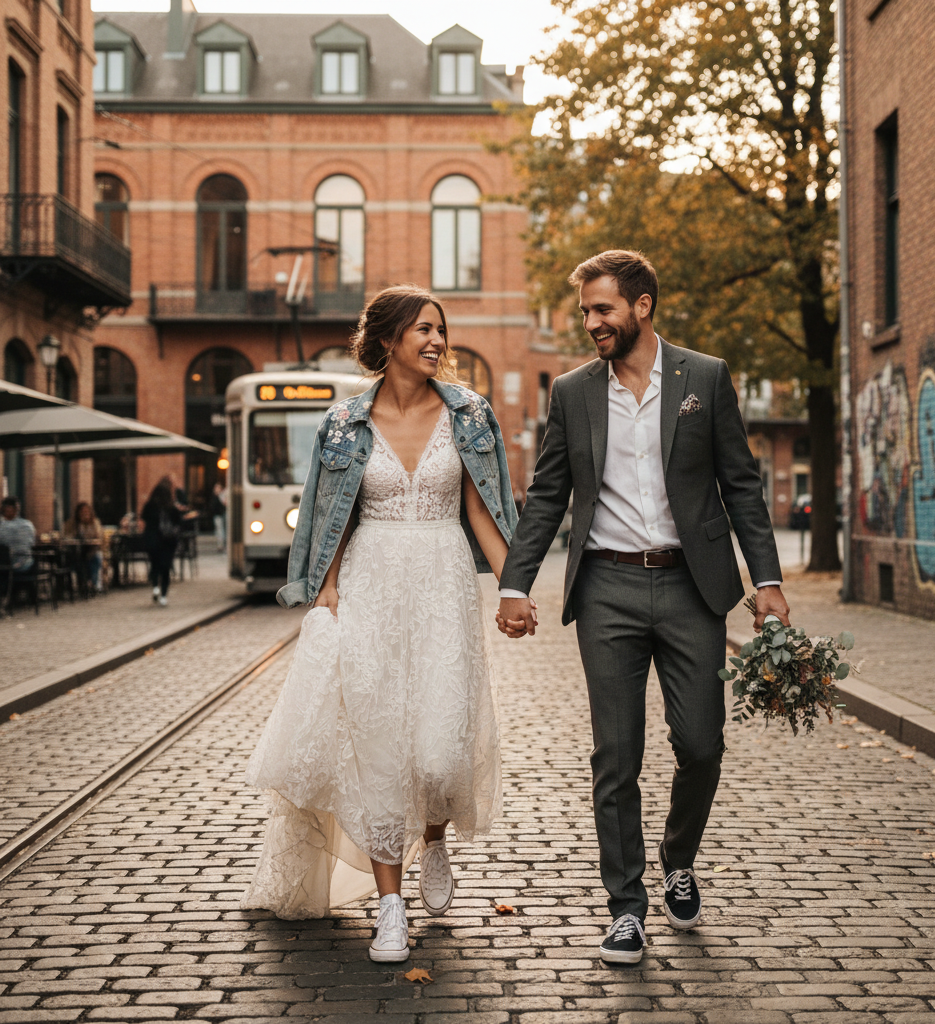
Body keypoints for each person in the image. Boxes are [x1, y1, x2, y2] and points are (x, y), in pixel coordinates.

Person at [497, 251, 790, 964]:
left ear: (642, 307)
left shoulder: (706, 378)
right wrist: (514, 583)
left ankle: (678, 857)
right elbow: (548, 495)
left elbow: (742, 486)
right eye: (587, 311)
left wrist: (768, 581)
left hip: (693, 587)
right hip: (607, 590)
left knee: (701, 743)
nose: (591, 322)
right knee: (616, 756)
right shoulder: (572, 392)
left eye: (603, 310)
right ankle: (626, 907)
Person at [242, 285, 523, 964]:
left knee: (437, 746)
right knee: (377, 746)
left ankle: (434, 837)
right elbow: (331, 512)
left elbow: (483, 508)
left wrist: (514, 587)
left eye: (441, 329)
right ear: (389, 339)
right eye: (423, 329)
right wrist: (326, 588)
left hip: (443, 582)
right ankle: (390, 905)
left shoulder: (470, 414)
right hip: (369, 585)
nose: (436, 341)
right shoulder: (343, 423)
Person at [140, 478, 181, 607]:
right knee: (165, 568)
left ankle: (155, 587)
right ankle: (163, 595)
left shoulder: (149, 506)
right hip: (168, 542)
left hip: (152, 540)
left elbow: (143, 518)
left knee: (155, 565)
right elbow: (179, 523)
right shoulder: (172, 508)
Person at [63, 501, 106, 593]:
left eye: (87, 512)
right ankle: (82, 584)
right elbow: (67, 536)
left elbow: (99, 538)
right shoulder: (72, 523)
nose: (85, 514)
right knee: (76, 562)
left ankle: (95, 585)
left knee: (96, 558)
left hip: (92, 551)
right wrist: (79, 527)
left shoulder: (95, 523)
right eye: (82, 512)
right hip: (77, 552)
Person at [0, 496, 36, 574]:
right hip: (25, 563)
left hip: (10, 566)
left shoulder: (3, 526)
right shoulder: (27, 524)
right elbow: (32, 543)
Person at [208, 482, 227, 552]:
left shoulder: (221, 496)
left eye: (217, 488)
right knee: (219, 531)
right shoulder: (214, 496)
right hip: (216, 515)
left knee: (221, 531)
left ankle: (221, 545)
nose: (216, 489)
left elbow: (225, 504)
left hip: (220, 515)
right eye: (215, 488)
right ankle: (221, 545)